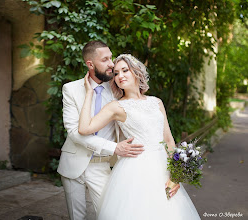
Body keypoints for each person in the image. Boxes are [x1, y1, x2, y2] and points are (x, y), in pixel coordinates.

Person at [78, 54, 200, 220]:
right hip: (135, 171)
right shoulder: (116, 106)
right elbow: (84, 128)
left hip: (163, 169)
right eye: (116, 73)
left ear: (136, 72)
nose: (120, 76)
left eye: (125, 70)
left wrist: (176, 176)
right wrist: (89, 93)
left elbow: (169, 140)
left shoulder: (156, 102)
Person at [57, 41, 145, 220]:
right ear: (90, 64)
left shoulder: (118, 90)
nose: (112, 64)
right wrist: (114, 147)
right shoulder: (71, 89)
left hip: (102, 165)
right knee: (77, 217)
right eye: (105, 59)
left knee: (110, 215)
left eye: (111, 58)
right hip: (73, 163)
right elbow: (75, 132)